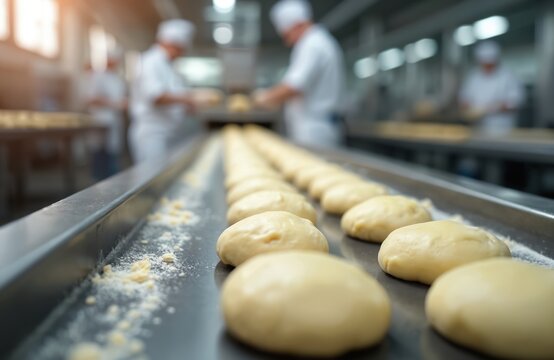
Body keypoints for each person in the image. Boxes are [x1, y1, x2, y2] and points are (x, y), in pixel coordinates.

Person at [254, 0, 345, 146]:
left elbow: (294, 86)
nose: (287, 41)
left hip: (315, 130)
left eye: (287, 35)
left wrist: (264, 98)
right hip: (315, 125)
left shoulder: (312, 43)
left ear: (297, 25)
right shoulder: (318, 41)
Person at [129, 19, 198, 163]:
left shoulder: (169, 66)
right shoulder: (150, 61)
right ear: (169, 43)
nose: (181, 53)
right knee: (152, 179)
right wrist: (189, 98)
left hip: (168, 132)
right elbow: (156, 96)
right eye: (179, 49)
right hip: (152, 134)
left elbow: (173, 97)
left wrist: (186, 105)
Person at [459, 41, 524, 136]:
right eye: (484, 64)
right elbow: (464, 96)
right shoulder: (473, 76)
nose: (487, 67)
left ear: (496, 61)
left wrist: (495, 108)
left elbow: (516, 101)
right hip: (477, 128)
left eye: (490, 65)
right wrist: (467, 106)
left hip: (503, 129)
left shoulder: (508, 76)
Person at [86, 49, 127, 179]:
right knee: (99, 152)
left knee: (112, 153)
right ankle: (98, 182)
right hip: (101, 120)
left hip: (115, 120)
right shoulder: (98, 76)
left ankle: (111, 182)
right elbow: (92, 98)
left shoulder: (117, 79)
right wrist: (114, 104)